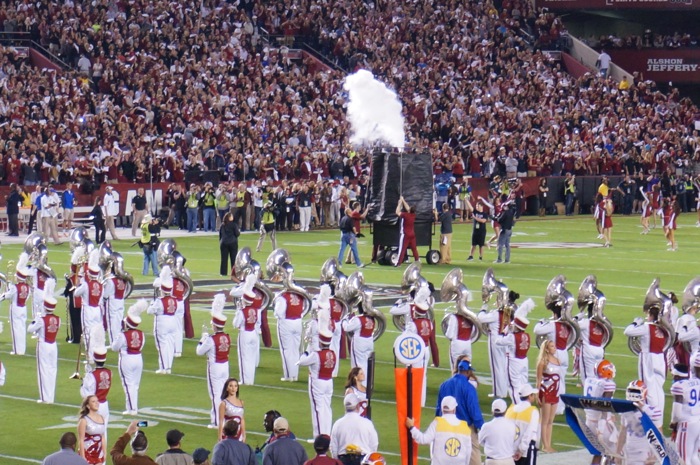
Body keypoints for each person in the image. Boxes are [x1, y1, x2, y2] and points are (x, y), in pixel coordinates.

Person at [435, 357, 484, 465]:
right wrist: (481, 426)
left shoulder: (444, 385)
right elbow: (474, 410)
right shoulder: (469, 388)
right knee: (474, 457)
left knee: (445, 455)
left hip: (446, 426)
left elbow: (439, 408)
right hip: (466, 428)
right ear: (468, 371)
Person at [196, 295, 231, 429]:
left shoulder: (211, 339)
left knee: (215, 394)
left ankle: (217, 422)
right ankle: (224, 418)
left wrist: (202, 339)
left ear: (215, 325)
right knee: (224, 394)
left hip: (215, 367)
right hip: (225, 366)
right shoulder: (227, 337)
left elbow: (199, 351)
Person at [406, 395, 471, 465]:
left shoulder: (438, 423)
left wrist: (412, 427)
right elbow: (468, 453)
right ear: (454, 409)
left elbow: (423, 439)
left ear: (442, 409)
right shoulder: (465, 427)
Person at [111, 300, 148, 416]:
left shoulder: (123, 335)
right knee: (135, 384)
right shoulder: (141, 334)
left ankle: (132, 409)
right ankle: (133, 406)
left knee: (128, 384)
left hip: (127, 358)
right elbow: (141, 345)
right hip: (138, 358)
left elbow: (114, 347)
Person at [494, 299, 534, 404]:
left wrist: (504, 330)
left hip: (514, 362)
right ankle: (526, 405)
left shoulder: (512, 337)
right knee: (523, 385)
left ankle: (518, 409)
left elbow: (498, 342)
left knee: (513, 387)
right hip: (524, 361)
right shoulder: (527, 335)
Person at [27, 278, 60, 404]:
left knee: (43, 370)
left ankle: (45, 398)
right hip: (53, 345)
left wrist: (35, 319)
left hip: (44, 345)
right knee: (52, 370)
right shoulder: (58, 319)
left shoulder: (41, 319)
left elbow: (30, 329)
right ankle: (50, 396)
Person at [298, 330, 336, 437]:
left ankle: (320, 437)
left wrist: (305, 352)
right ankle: (327, 433)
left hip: (317, 382)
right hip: (329, 382)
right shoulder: (333, 354)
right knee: (327, 408)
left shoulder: (316, 355)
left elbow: (302, 362)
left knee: (318, 408)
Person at [617, 380, 663, 464]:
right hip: (629, 450)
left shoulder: (653, 412)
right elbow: (623, 432)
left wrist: (655, 455)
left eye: (635, 391)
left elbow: (659, 434)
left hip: (645, 452)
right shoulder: (625, 410)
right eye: (631, 391)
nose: (633, 394)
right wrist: (618, 452)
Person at [582, 360, 616, 465]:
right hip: (601, 423)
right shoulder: (608, 384)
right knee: (615, 451)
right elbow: (605, 406)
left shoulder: (589, 380)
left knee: (597, 453)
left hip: (589, 422)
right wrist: (603, 425)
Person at [329, 395, 379, 465]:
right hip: (363, 460)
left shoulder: (337, 424)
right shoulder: (367, 423)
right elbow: (374, 445)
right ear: (358, 406)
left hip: (343, 460)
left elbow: (333, 448)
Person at [231, 276, 262, 385]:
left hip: (245, 333)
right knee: (252, 358)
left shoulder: (242, 311)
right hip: (253, 333)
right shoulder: (256, 310)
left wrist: (238, 311)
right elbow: (259, 323)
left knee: (244, 358)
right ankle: (251, 380)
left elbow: (235, 324)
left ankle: (245, 380)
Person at [669, 364, 700, 465]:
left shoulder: (678, 386)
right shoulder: (696, 381)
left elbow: (677, 412)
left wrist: (673, 423)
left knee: (683, 458)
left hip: (686, 425)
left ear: (677, 376)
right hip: (697, 421)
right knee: (694, 456)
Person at [148, 268, 178, 374]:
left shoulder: (159, 301)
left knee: (162, 345)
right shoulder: (174, 299)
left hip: (162, 322)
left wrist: (152, 303)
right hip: (172, 321)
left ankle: (163, 368)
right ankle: (168, 367)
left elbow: (149, 311)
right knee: (170, 345)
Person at [0, 259, 30, 355]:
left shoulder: (15, 287)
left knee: (15, 329)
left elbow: (8, 295)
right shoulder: (27, 286)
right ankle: (22, 349)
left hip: (15, 308)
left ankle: (17, 350)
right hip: (23, 308)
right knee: (22, 329)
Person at [535, 340, 560, 453]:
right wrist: (537, 395)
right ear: (546, 349)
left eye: (554, 346)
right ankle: (545, 445)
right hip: (546, 391)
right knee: (544, 420)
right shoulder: (542, 362)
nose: (554, 348)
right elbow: (538, 380)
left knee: (551, 420)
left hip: (555, 392)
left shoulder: (557, 360)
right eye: (552, 346)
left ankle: (548, 445)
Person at [504, 385, 539, 465]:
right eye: (532, 395)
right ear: (529, 396)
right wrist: (521, 450)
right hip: (526, 450)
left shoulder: (510, 409)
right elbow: (529, 433)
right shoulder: (532, 411)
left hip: (510, 450)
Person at [478, 399, 516, 465]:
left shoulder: (487, 426)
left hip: (492, 461)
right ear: (505, 411)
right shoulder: (512, 425)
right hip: (509, 460)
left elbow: (480, 441)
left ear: (492, 411)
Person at [78, 395, 107, 465]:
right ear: (88, 406)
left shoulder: (102, 418)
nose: (97, 403)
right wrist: (82, 456)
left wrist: (104, 453)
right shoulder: (84, 420)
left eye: (97, 401)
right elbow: (81, 439)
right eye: (93, 401)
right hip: (87, 452)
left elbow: (102, 437)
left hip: (98, 452)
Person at [395, 196, 419, 266]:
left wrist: (399, 203)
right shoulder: (413, 215)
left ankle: (398, 263)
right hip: (412, 234)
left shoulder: (406, 215)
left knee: (402, 249)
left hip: (405, 234)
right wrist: (403, 200)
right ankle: (417, 260)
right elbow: (408, 208)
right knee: (414, 249)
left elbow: (397, 212)